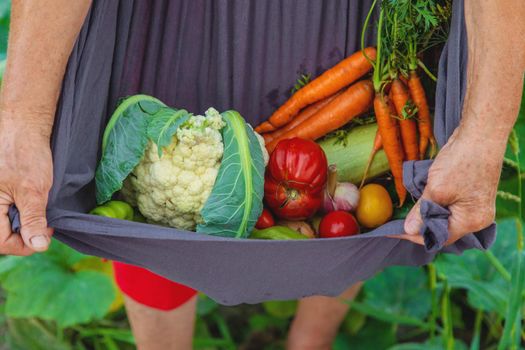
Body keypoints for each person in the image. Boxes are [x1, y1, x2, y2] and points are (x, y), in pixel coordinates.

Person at [0, 1, 523, 350]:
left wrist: (484, 135)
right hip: (173, 28)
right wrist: (21, 120)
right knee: (148, 223)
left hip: (342, 18)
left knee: (358, 221)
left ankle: (309, 344)